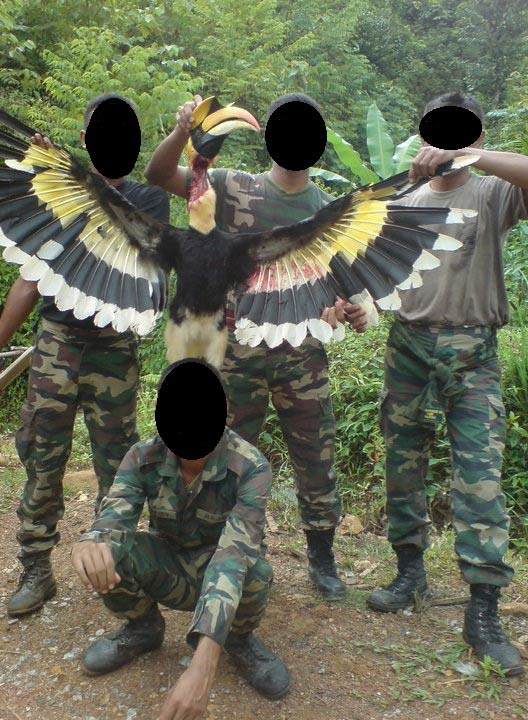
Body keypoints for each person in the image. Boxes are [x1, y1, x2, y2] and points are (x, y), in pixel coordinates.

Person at [145, 93, 370, 601]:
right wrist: (182, 132)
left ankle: (322, 556)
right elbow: (160, 176)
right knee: (222, 452)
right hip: (235, 351)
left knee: (316, 453)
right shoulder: (230, 187)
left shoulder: (327, 210)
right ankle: (227, 550)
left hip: (302, 350)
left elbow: (345, 288)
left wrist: (350, 311)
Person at [363, 91, 528, 676]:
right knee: (403, 462)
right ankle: (409, 571)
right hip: (407, 346)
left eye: (462, 134)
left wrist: (471, 157)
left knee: (480, 474)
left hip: (472, 351)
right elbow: (372, 270)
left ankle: (483, 609)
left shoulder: (492, 190)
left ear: (479, 139)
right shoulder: (405, 200)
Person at [4, 93, 170, 617]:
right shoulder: (57, 196)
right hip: (56, 342)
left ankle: (114, 566)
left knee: (116, 463)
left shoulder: (148, 201)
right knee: (42, 454)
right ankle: (36, 566)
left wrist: (75, 187)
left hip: (113, 348)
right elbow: (29, 280)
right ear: (85, 139)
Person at [72, 360, 290, 719]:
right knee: (112, 554)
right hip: (169, 566)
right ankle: (143, 629)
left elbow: (232, 557)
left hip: (223, 576)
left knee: (255, 571)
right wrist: (92, 542)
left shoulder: (251, 466)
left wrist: (203, 666)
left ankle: (237, 639)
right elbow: (115, 518)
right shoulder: (143, 456)